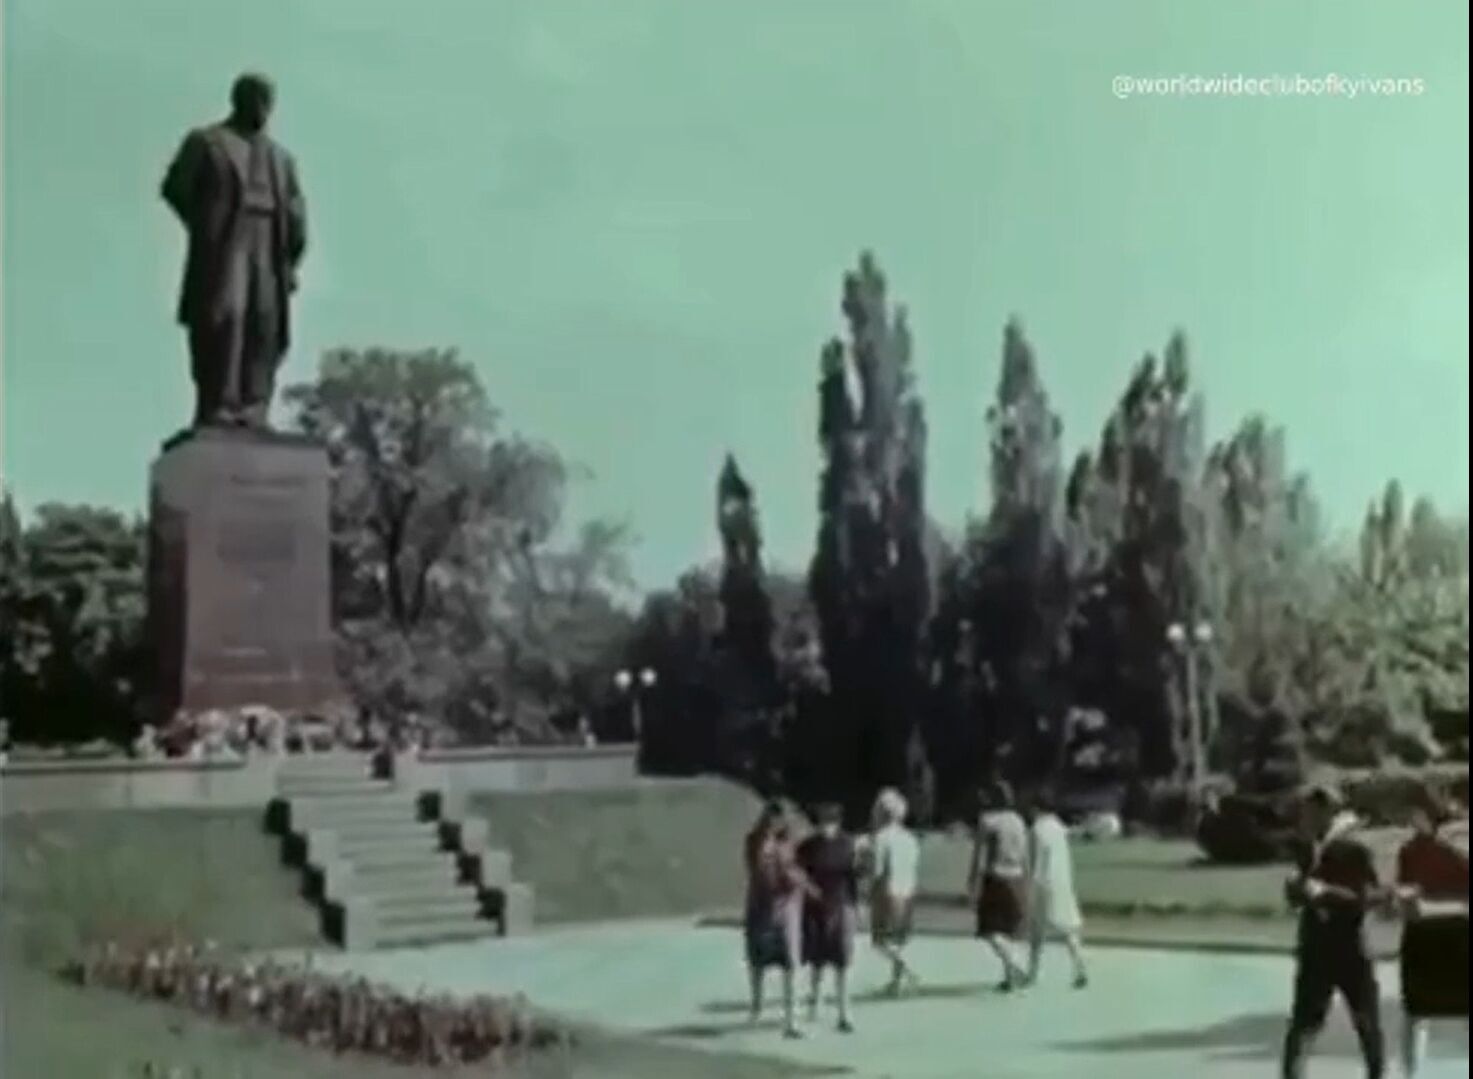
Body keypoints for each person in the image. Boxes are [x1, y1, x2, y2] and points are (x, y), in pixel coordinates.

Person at [161, 73, 307, 430]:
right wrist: (207, 225)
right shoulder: (208, 142)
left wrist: (292, 254)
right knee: (225, 316)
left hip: (268, 244)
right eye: (257, 100)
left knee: (264, 321)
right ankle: (219, 403)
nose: (263, 110)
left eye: (267, 102)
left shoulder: (281, 158)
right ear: (239, 100)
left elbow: (295, 207)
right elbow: (175, 188)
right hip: (227, 243)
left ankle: (255, 406)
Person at [1280, 784, 1385, 1079]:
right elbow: (1299, 894)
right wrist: (1295, 890)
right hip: (1315, 947)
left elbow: (1370, 896)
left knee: (1366, 1023)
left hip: (1351, 946)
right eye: (1304, 812)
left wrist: (1327, 892)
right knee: (1302, 1023)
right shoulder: (1306, 847)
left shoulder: (1354, 848)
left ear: (1328, 812)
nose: (1305, 818)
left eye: (1312, 812)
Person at [1393, 786, 1469, 1077]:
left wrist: (1430, 905)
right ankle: (1409, 1073)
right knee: (1414, 1013)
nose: (1411, 819)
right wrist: (1403, 899)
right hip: (1422, 936)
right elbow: (1406, 891)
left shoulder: (1458, 850)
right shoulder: (1409, 851)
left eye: (1417, 812)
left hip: (1457, 935)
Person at [743, 800, 806, 1038]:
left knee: (791, 962)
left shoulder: (790, 842)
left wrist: (795, 877)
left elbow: (797, 872)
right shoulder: (755, 841)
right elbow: (757, 868)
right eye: (770, 818)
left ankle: (791, 1017)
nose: (774, 823)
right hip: (761, 907)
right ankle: (756, 1007)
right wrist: (768, 844)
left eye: (778, 818)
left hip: (787, 908)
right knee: (758, 961)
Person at [797, 803, 860, 1032]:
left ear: (837, 822)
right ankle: (813, 1005)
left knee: (842, 960)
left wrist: (854, 907)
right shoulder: (808, 846)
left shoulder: (847, 845)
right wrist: (807, 891)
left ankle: (844, 1013)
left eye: (830, 821)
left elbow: (852, 877)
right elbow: (798, 873)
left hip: (841, 905)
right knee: (817, 961)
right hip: (815, 907)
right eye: (822, 821)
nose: (825, 826)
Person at [1023, 787, 1089, 989]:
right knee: (1067, 929)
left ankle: (1032, 974)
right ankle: (1079, 967)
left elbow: (1034, 861)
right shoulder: (1058, 827)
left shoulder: (1036, 829)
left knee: (1037, 933)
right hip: (1061, 882)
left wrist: (1029, 889)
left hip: (1042, 883)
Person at [969, 780, 1030, 991]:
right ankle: (1010, 977)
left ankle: (1015, 963)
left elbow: (980, 856)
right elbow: (1025, 853)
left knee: (990, 930)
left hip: (996, 877)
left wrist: (972, 882)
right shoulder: (1018, 821)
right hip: (1017, 876)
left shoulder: (988, 821)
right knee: (1008, 930)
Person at [868, 787, 921, 996]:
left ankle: (907, 969)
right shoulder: (910, 838)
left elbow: (877, 870)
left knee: (881, 941)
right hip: (908, 891)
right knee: (898, 940)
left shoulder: (881, 838)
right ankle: (896, 982)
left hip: (888, 892)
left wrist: (869, 889)